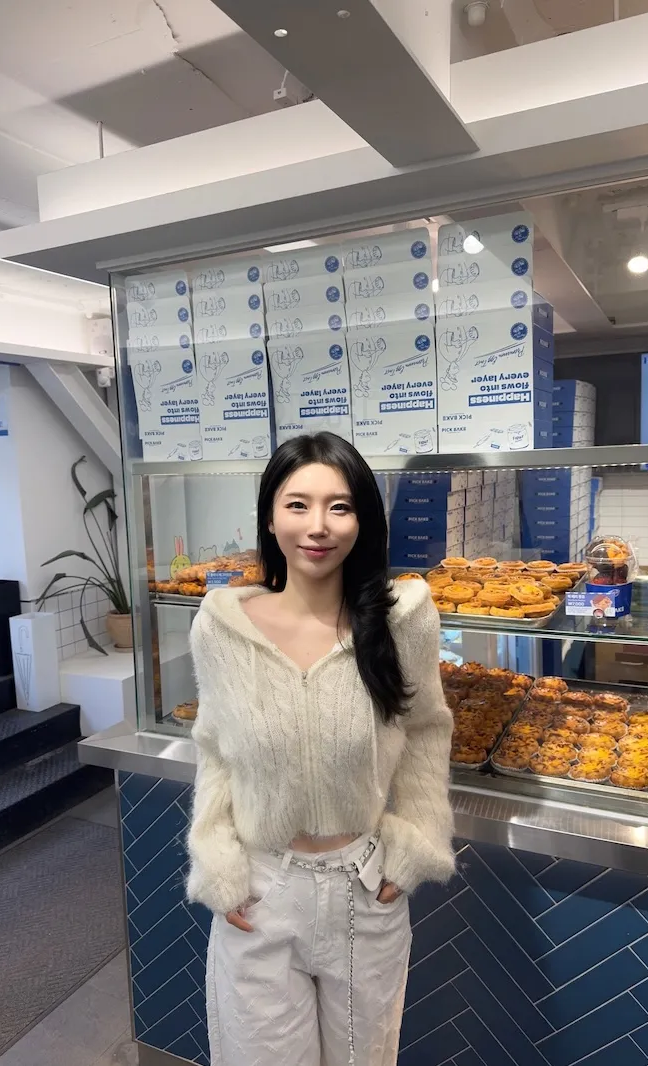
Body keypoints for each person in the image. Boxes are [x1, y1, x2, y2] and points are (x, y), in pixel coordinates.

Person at [186, 431, 455, 1066]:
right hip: (262, 890)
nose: (318, 526)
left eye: (340, 506)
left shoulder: (402, 619)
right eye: (297, 504)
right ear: (270, 517)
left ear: (363, 520)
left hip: (364, 888)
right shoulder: (222, 627)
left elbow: (425, 730)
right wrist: (218, 863)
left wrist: (417, 842)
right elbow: (214, 747)